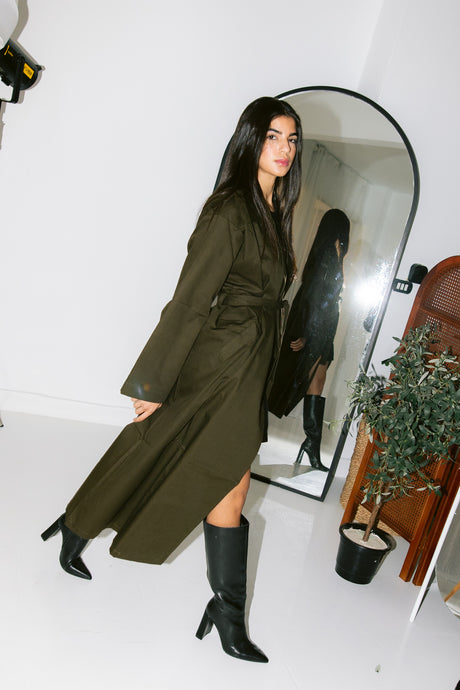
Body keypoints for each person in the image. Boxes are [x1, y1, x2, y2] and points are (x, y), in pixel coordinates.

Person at [41, 97, 302, 663]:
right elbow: (189, 299)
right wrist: (152, 384)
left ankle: (84, 527)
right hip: (217, 359)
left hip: (250, 363)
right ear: (250, 140)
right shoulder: (229, 209)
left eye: (291, 139)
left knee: (227, 477)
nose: (284, 149)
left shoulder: (274, 209)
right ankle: (223, 610)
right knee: (175, 453)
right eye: (273, 137)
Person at [268, 208, 350, 471]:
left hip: (326, 324)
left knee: (319, 379)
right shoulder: (326, 255)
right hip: (318, 324)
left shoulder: (335, 254)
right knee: (306, 378)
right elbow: (312, 296)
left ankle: (311, 444)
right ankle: (310, 445)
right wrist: (307, 333)